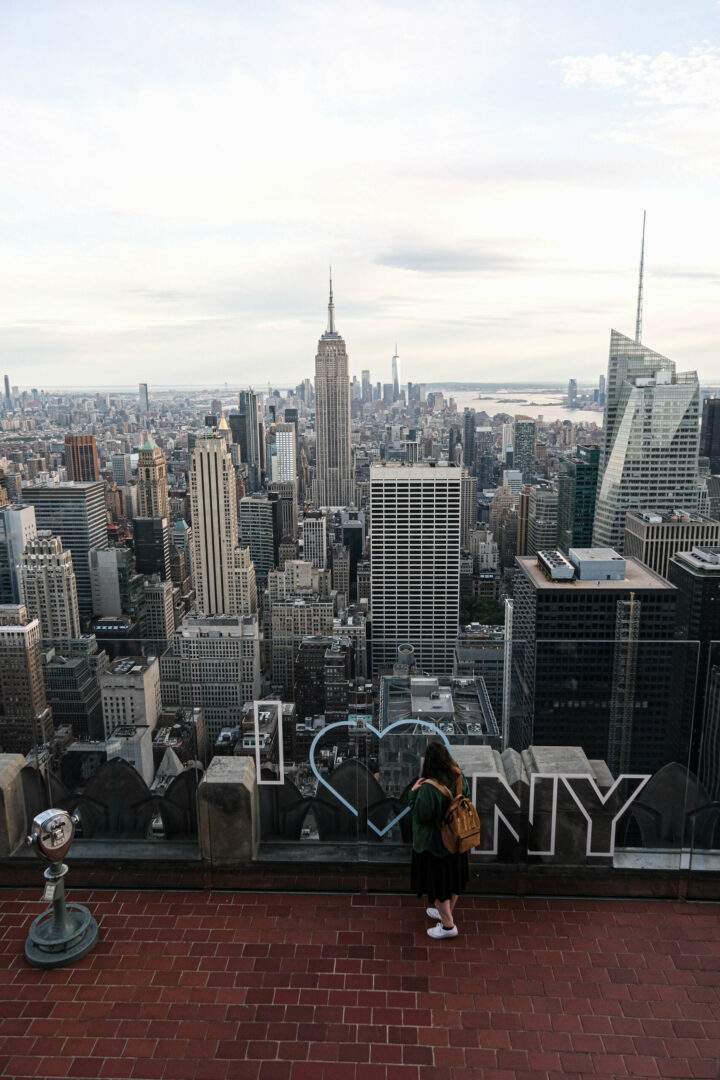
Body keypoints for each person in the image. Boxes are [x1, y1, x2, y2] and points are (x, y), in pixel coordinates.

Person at [408, 741, 470, 939]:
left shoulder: (429, 788)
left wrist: (413, 794)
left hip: (436, 845)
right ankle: (446, 911)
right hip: (459, 838)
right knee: (453, 879)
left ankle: (447, 926)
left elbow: (421, 815)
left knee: (438, 885)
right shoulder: (460, 776)